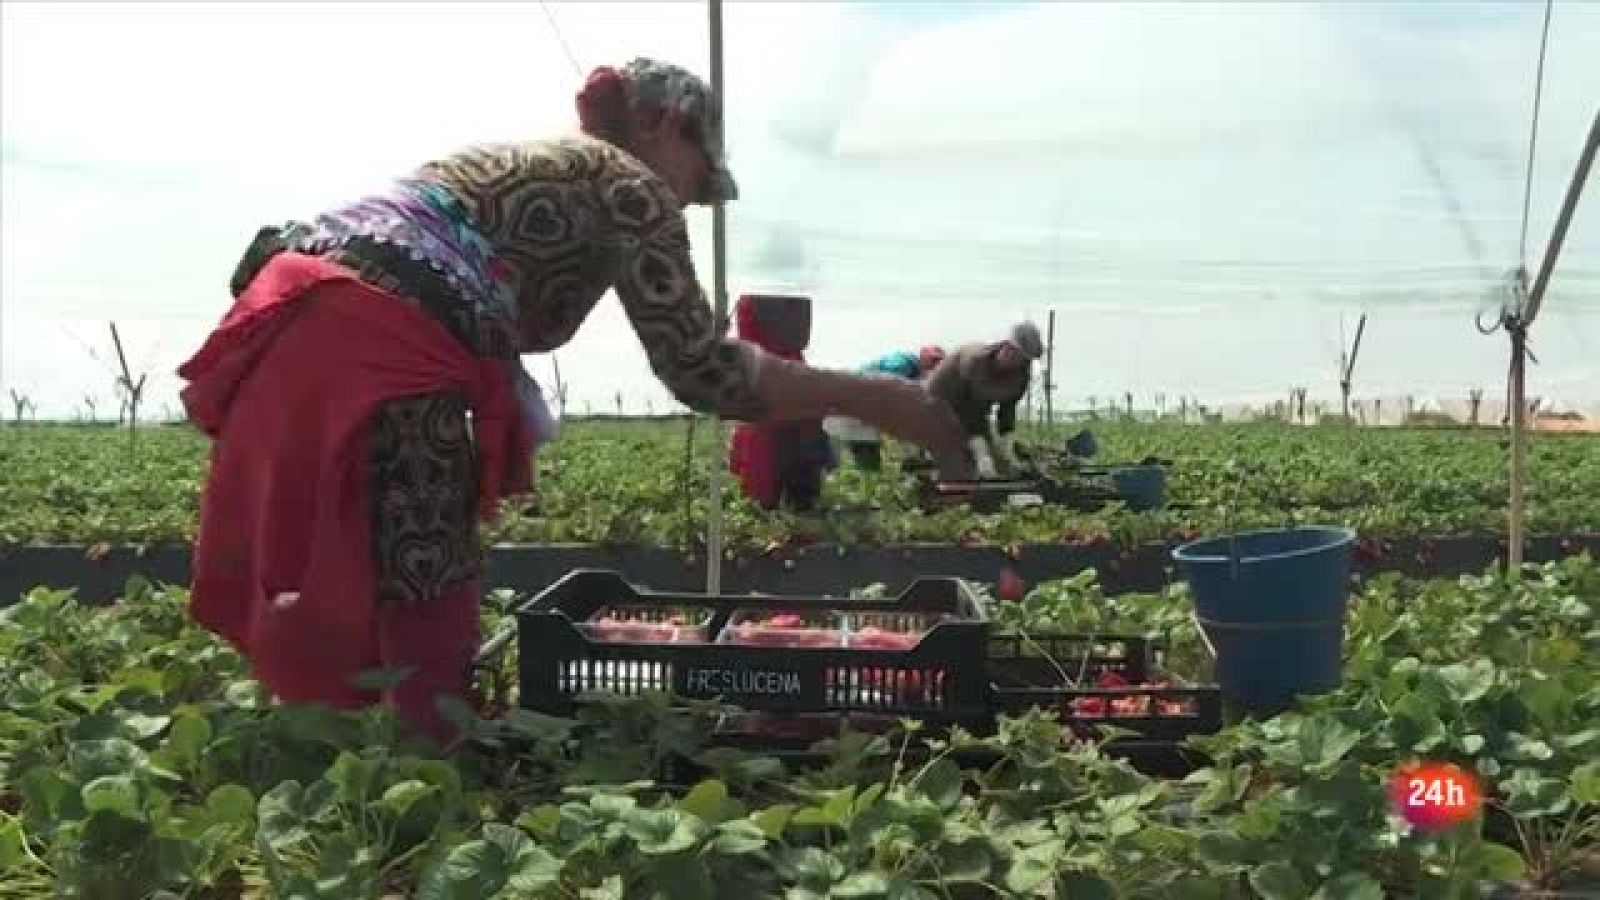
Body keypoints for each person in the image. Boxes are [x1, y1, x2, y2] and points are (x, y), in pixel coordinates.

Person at [176, 57, 973, 744]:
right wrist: (881, 399)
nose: (690, 203)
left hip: (296, 317)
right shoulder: (628, 184)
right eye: (699, 178)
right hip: (383, 339)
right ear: (665, 125)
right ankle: (430, 783)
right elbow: (706, 375)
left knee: (332, 561)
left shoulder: (533, 164)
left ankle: (347, 771)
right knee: (426, 577)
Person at [727, 293, 836, 512]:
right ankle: (784, 509)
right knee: (775, 454)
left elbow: (798, 337)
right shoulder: (766, 293)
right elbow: (798, 336)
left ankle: (784, 509)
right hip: (775, 384)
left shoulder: (771, 291)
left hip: (776, 384)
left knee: (786, 452)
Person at [923, 322, 1043, 478]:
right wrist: (980, 449)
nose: (1018, 362)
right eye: (1015, 354)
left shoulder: (1021, 374)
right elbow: (966, 408)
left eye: (1024, 359)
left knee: (997, 463)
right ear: (1005, 347)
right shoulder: (975, 362)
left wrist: (1007, 445)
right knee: (960, 460)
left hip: (974, 412)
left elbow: (1007, 408)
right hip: (938, 405)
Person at [824, 345, 946, 471]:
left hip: (856, 407)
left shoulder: (915, 372)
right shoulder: (903, 364)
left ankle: (910, 462)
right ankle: (910, 462)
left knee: (867, 452)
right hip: (852, 405)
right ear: (922, 355)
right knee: (866, 452)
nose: (935, 365)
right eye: (933, 360)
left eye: (939, 362)